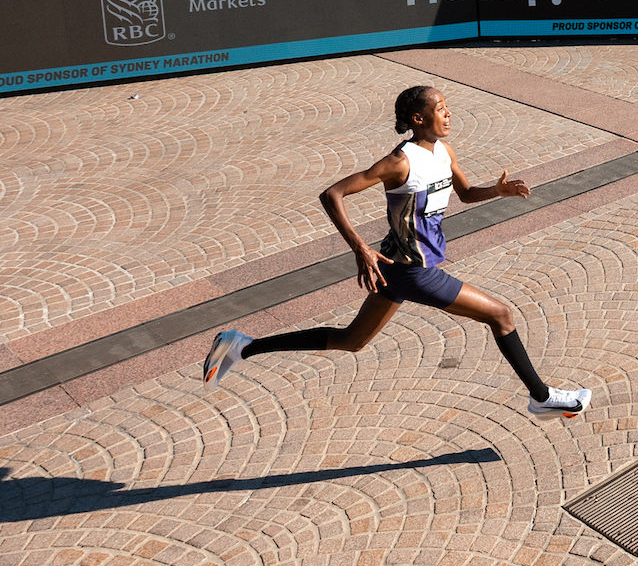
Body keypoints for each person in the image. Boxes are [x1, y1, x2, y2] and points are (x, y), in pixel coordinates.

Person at [202, 84, 591, 415]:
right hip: (413, 272)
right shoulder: (398, 163)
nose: (448, 114)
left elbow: (466, 193)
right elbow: (332, 194)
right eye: (440, 109)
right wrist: (360, 247)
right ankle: (542, 398)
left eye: (447, 107)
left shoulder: (444, 152)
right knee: (501, 316)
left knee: (352, 340)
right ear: (419, 119)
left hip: (394, 267)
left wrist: (497, 191)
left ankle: (242, 346)